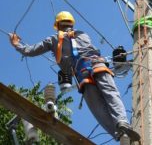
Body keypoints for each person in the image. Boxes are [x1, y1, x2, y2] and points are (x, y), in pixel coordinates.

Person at [9, 11, 140, 141]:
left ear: (58, 25)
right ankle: (122, 122)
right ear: (71, 23)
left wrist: (16, 44)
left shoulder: (53, 39)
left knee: (98, 108)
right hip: (99, 66)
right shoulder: (83, 34)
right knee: (111, 94)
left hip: (83, 75)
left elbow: (30, 51)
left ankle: (119, 134)